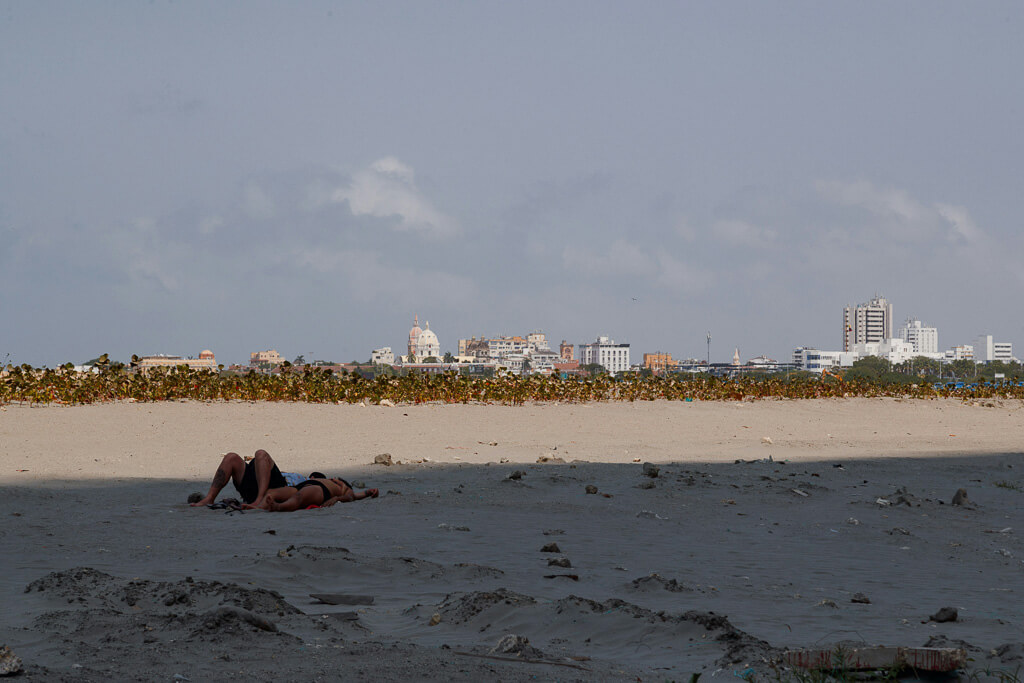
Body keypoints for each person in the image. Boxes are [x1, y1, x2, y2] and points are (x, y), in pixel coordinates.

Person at [189, 449, 376, 509]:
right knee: (231, 457)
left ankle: (260, 502)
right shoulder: (304, 479)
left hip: (276, 487)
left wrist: (365, 493)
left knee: (261, 454)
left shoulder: (340, 486)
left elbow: (354, 495)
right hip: (266, 483)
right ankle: (209, 498)